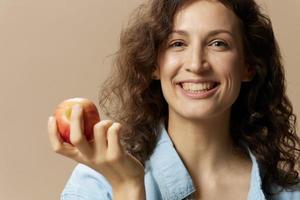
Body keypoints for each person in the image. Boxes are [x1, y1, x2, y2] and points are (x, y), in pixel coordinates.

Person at [47, 0, 300, 199]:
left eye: (218, 43)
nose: (196, 65)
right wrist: (127, 189)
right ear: (154, 65)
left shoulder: (290, 193)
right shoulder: (98, 183)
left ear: (248, 67)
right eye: (177, 43)